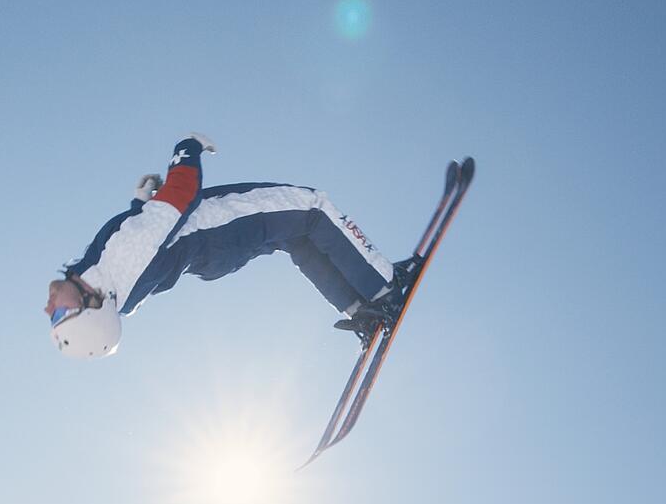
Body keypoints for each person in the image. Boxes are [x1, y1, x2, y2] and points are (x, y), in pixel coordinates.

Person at [45, 133, 419, 358]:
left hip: (214, 251)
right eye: (60, 315)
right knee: (313, 209)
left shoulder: (99, 275)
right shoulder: (121, 266)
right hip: (219, 224)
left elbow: (142, 232)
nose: (48, 306)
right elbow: (181, 196)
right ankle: (385, 288)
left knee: (299, 237)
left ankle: (361, 309)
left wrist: (141, 203)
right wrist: (186, 148)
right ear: (90, 308)